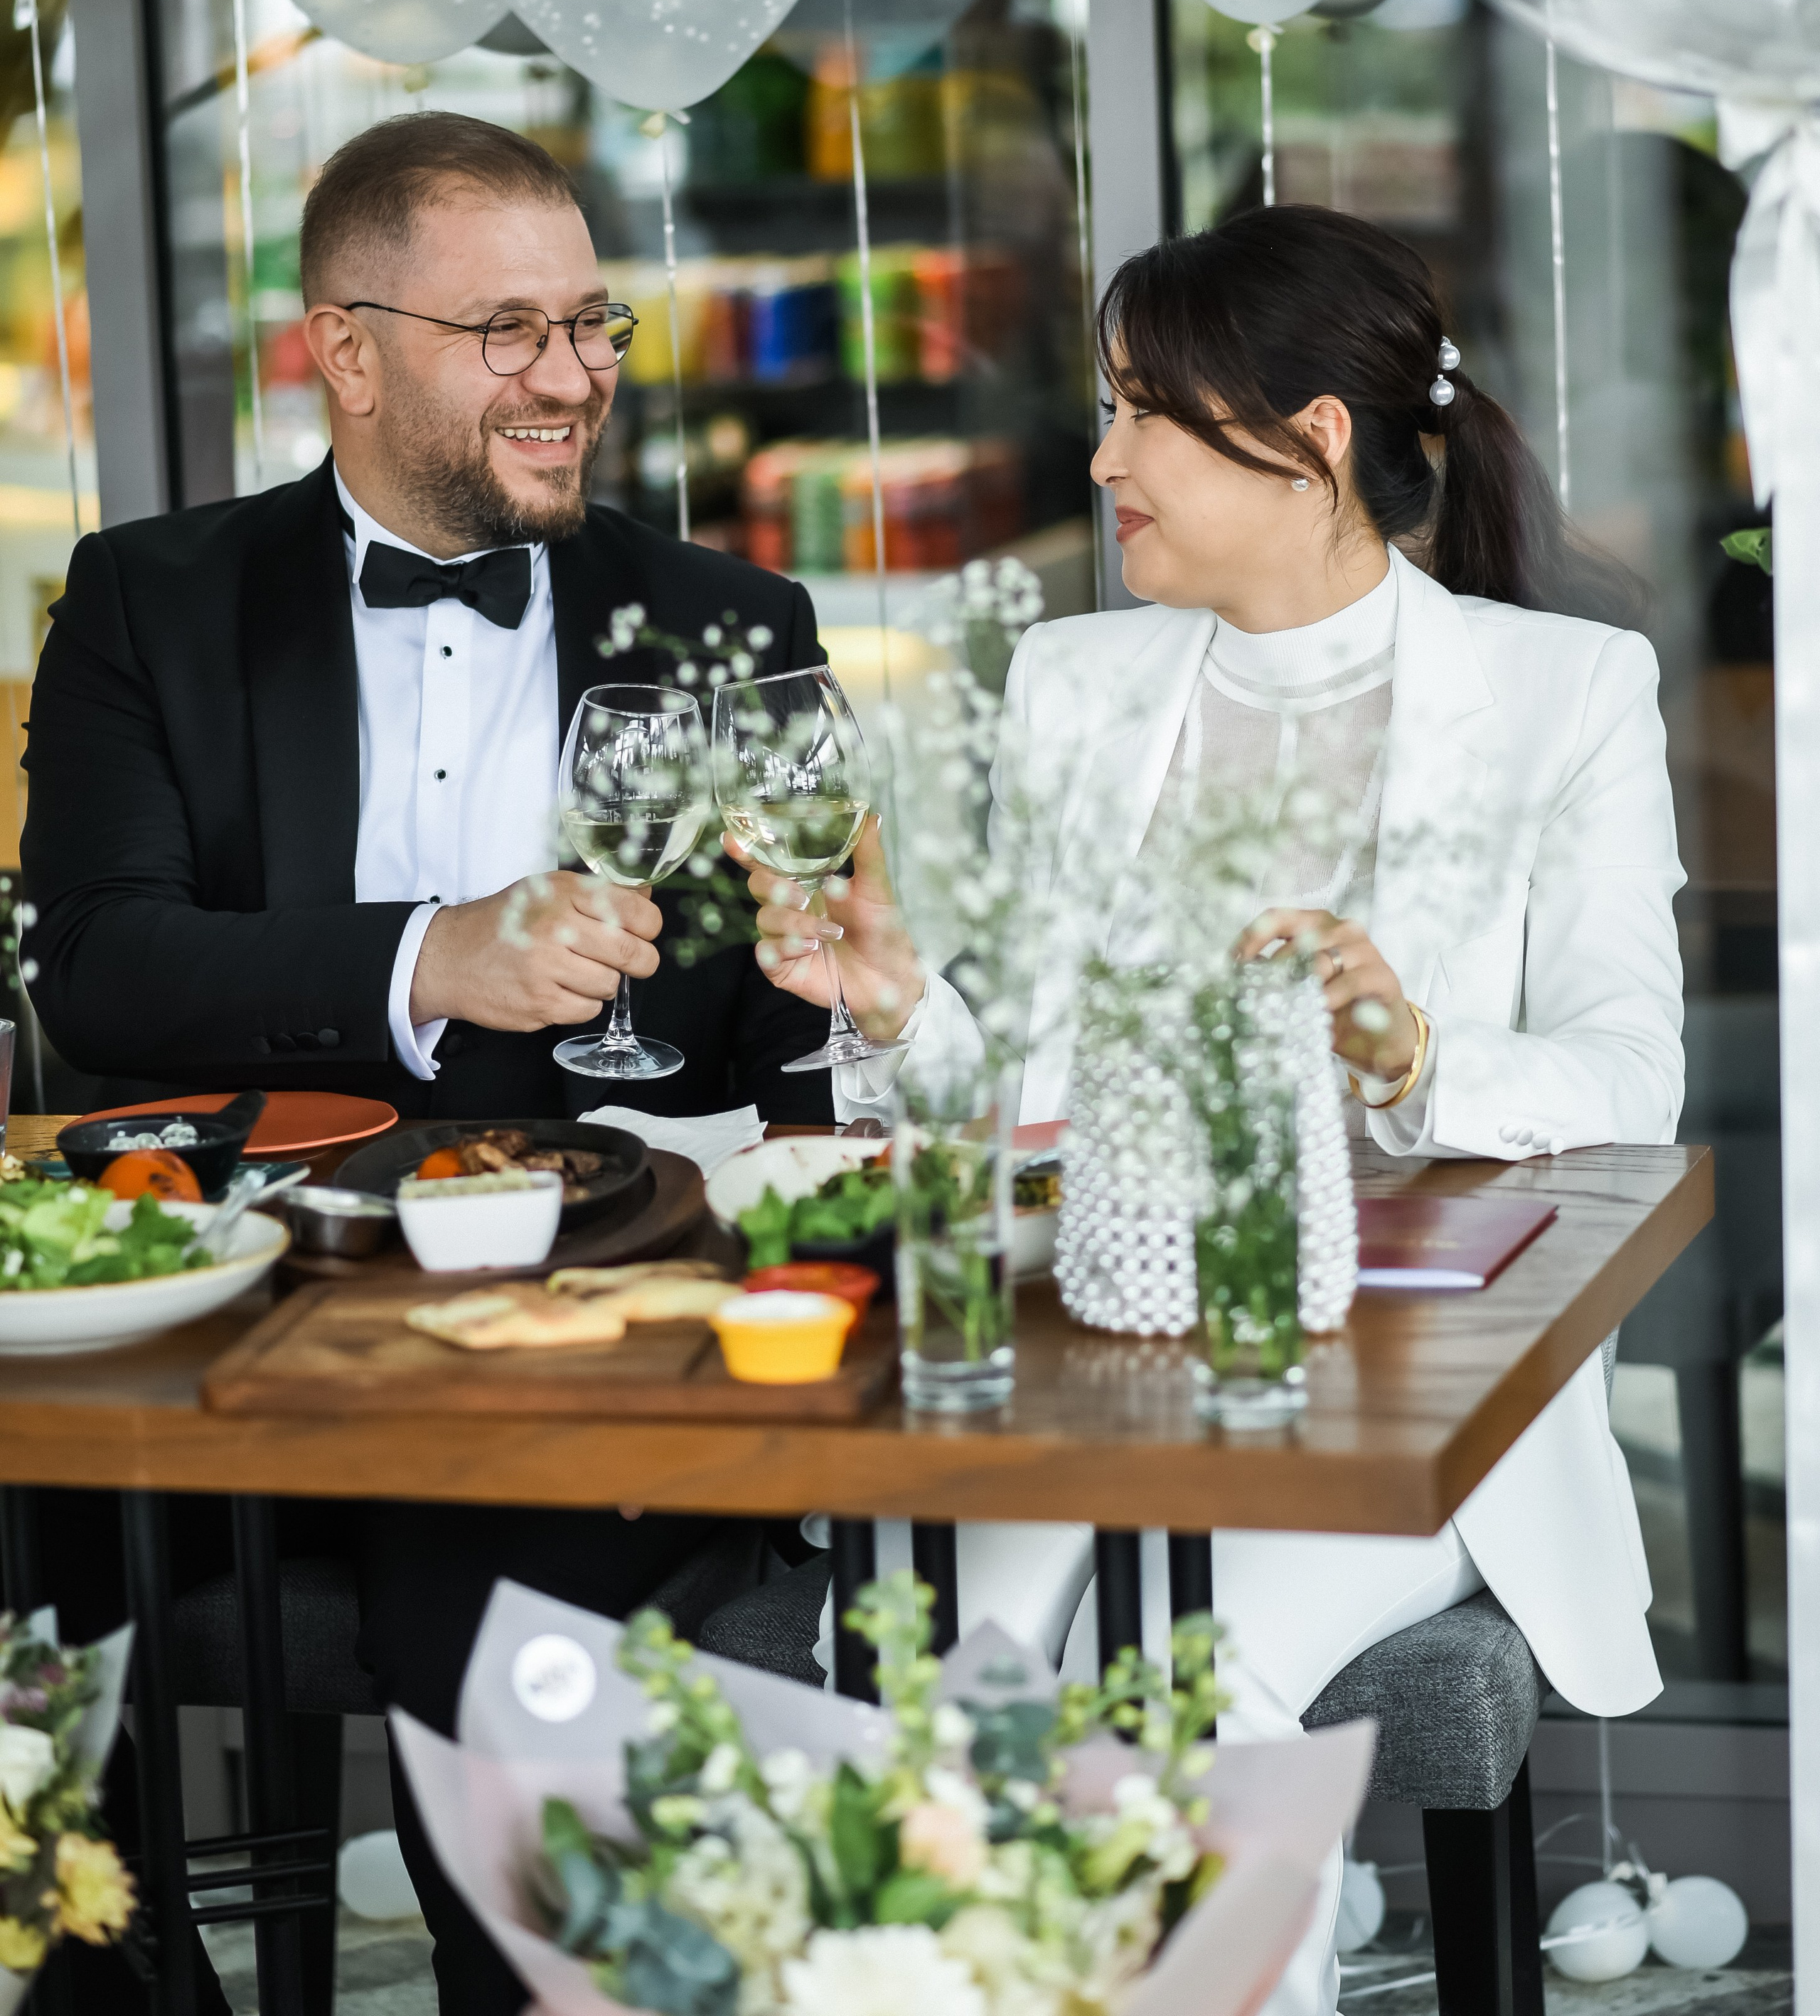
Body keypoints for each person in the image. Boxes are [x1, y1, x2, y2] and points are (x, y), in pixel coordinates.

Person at [736, 205, 1684, 2016]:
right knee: (961, 1673)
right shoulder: (1078, 687)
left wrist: (1409, 1052)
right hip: (1092, 1357)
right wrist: (901, 1003)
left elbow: (1633, 1072)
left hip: (1400, 1386)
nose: (1099, 461)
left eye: (1139, 415)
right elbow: (1023, 1093)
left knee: (1183, 1681)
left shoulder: (1565, 693)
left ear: (1310, 437)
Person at [21, 111, 836, 2016]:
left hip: (574, 1327)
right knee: (21, 1575)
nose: (571, 379)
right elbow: (106, 973)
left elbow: (806, 1048)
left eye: (591, 327)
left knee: (479, 1622)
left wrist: (827, 973)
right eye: (510, 334)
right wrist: (432, 960)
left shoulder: (735, 630)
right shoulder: (151, 601)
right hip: (220, 1313)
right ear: (351, 353)